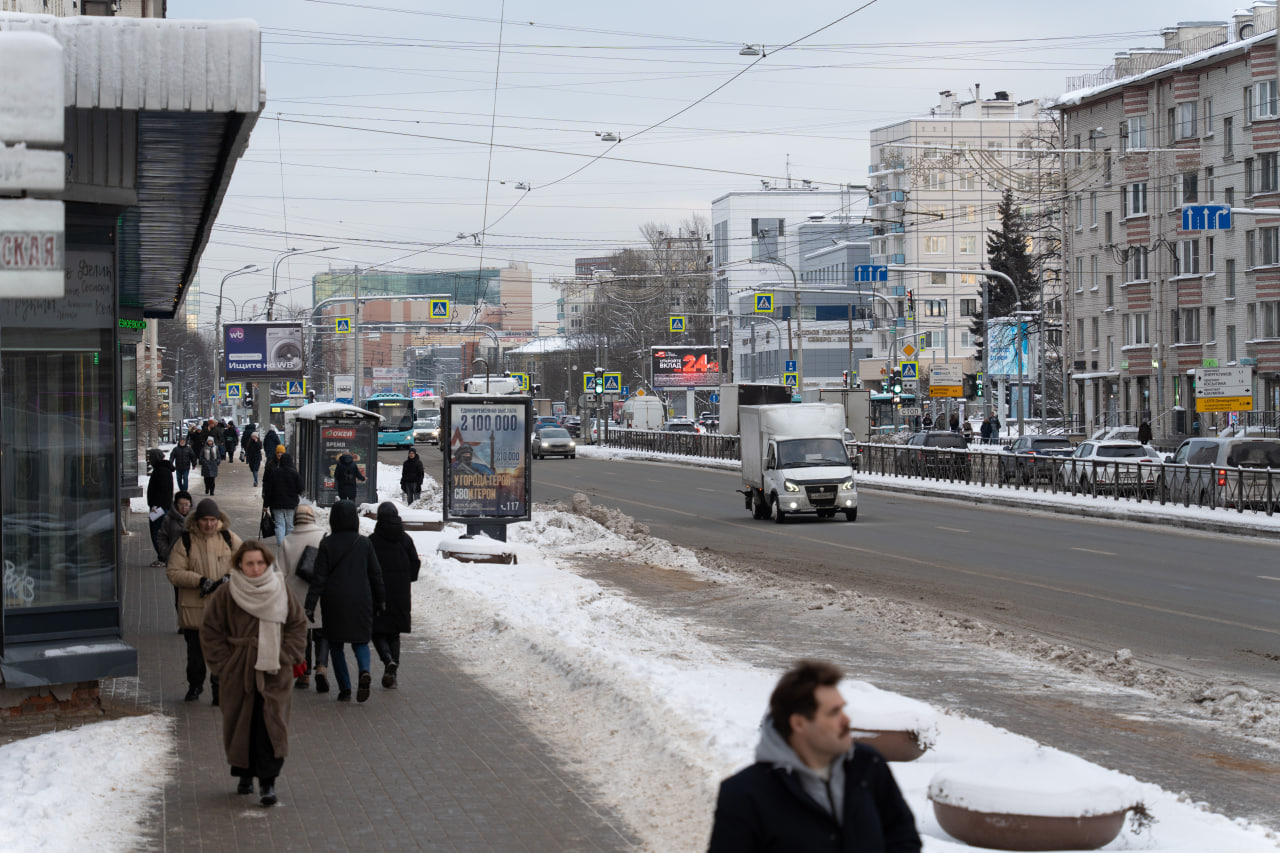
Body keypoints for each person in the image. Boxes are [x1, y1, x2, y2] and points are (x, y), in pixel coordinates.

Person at [708, 660, 921, 852]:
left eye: (842, 710)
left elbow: (902, 835)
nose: (846, 720)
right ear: (799, 723)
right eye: (833, 713)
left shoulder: (868, 766)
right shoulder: (744, 794)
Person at [200, 540, 307, 807]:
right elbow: (211, 631)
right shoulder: (227, 593)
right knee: (240, 723)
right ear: (239, 565)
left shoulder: (280, 589)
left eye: (260, 562)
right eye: (250, 563)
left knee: (271, 724)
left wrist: (288, 654)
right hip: (239, 671)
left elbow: (297, 624)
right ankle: (244, 774)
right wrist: (225, 664)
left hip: (274, 671)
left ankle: (268, 783)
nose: (256, 568)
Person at [304, 500, 385, 703]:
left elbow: (319, 578)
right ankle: (364, 670)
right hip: (361, 599)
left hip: (334, 600)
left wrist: (310, 604)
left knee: (336, 645)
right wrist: (381, 600)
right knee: (360, 642)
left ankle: (345, 688)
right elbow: (376, 574)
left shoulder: (327, 543)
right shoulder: (364, 543)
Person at [166, 498, 243, 704]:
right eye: (205, 520)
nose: (209, 524)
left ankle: (219, 690)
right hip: (195, 610)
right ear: (197, 520)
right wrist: (199, 581)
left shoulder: (228, 538)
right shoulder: (186, 541)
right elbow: (173, 572)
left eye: (212, 520)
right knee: (196, 656)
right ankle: (195, 685)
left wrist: (231, 576)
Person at [369, 503, 421, 689]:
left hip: (379, 592)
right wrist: (407, 579)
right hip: (400, 592)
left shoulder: (372, 540)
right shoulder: (405, 539)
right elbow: (415, 562)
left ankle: (387, 659)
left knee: (377, 630)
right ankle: (393, 672)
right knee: (394, 633)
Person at [279, 504, 329, 691]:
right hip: (320, 594)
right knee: (322, 633)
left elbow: (280, 572)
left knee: (302, 636)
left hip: (296, 595)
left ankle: (304, 675)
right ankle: (322, 666)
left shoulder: (287, 540)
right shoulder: (323, 536)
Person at [262, 451, 303, 547]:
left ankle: (281, 544)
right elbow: (300, 488)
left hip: (276, 503)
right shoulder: (294, 474)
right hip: (291, 504)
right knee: (290, 525)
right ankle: (288, 545)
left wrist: (265, 505)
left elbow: (268, 490)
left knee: (279, 525)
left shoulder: (274, 472)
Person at [146, 449, 175, 567]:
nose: (149, 460)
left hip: (159, 508)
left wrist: (155, 506)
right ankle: (163, 556)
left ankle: (163, 557)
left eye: (150, 457)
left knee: (157, 533)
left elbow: (162, 491)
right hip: (161, 507)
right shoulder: (163, 469)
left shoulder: (161, 471)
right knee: (159, 532)